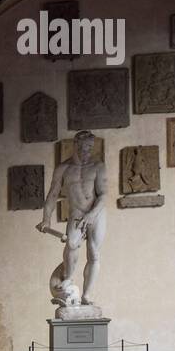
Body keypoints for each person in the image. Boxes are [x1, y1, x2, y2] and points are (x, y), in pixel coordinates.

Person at [37, 130, 107, 306]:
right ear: (75, 145)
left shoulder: (98, 166)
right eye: (84, 147)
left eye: (90, 148)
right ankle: (67, 279)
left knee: (94, 253)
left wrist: (91, 215)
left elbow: (103, 194)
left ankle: (87, 295)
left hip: (96, 213)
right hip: (77, 212)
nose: (87, 152)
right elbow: (52, 194)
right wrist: (46, 219)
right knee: (71, 244)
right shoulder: (63, 168)